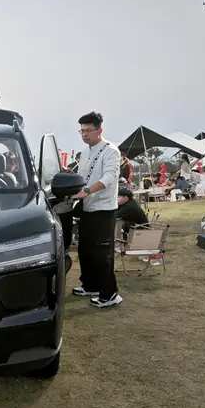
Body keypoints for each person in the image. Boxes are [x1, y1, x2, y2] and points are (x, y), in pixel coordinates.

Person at [72, 111, 122, 308]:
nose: (84, 134)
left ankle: (110, 293)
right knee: (85, 250)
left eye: (88, 130)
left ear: (99, 130)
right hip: (87, 208)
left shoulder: (111, 151)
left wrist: (87, 191)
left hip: (104, 208)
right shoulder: (85, 152)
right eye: (82, 131)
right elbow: (82, 176)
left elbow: (109, 178)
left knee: (102, 253)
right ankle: (90, 285)